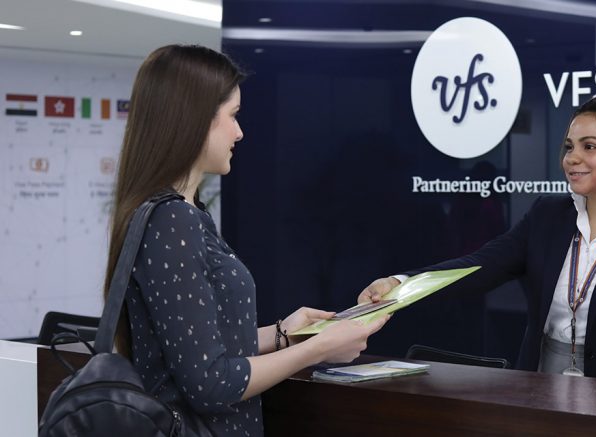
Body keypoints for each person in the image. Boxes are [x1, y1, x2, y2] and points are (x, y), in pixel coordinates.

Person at [104, 45, 388, 435]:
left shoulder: (183, 213)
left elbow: (196, 348)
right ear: (194, 118)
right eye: (233, 115)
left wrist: (284, 334)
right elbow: (210, 384)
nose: (239, 132)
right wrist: (318, 348)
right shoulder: (173, 220)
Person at [359, 96, 596, 385]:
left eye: (589, 146)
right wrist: (401, 284)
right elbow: (480, 266)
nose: (572, 158)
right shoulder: (547, 216)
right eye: (569, 147)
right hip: (537, 390)